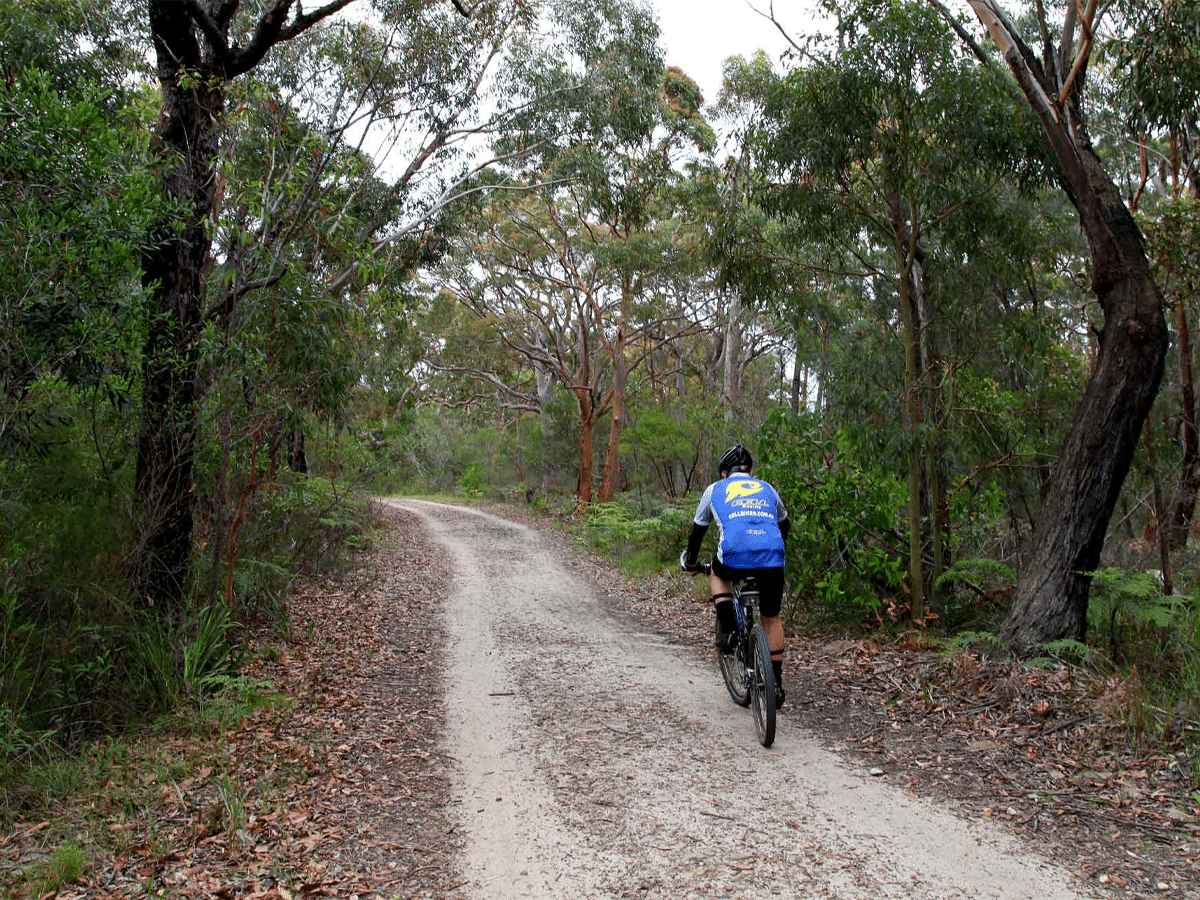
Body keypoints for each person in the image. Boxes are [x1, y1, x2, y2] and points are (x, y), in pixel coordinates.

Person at [681, 444, 791, 708]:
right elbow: (784, 524)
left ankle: (728, 629)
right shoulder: (767, 488)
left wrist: (692, 562)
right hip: (772, 557)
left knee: (717, 575)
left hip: (733, 555)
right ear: (750, 471)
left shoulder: (714, 490)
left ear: (723, 473)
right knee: (772, 617)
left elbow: (698, 533)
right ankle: (775, 684)